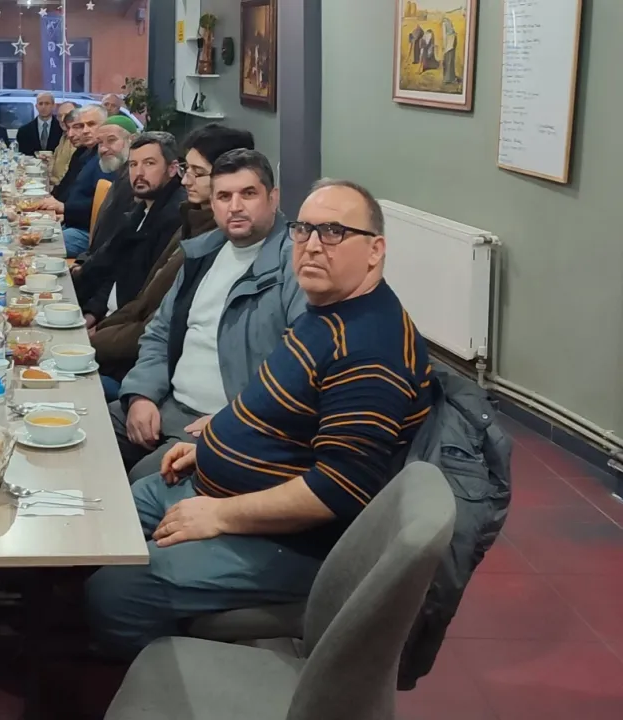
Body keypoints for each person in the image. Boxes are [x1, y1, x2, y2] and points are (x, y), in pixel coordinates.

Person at [85, 178, 438, 658]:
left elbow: (339, 487)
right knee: (101, 524)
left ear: (375, 250)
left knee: (115, 591)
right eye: (304, 229)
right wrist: (211, 445)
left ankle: (181, 679)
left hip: (290, 541)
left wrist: (219, 515)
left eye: (334, 232)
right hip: (221, 487)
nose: (313, 245)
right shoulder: (329, 307)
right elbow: (279, 406)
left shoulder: (369, 350)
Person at [110, 149, 306, 482]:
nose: (235, 206)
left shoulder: (296, 266)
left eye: (248, 194)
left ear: (273, 198)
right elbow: (159, 333)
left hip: (225, 423)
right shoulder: (204, 252)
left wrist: (233, 420)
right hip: (167, 403)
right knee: (85, 434)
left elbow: (299, 371)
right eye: (224, 196)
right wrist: (142, 394)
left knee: (142, 481)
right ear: (212, 203)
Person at [91, 125, 254, 382]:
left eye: (197, 173)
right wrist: (96, 330)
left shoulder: (216, 240)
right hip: (125, 349)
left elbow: (160, 329)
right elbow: (142, 301)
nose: (186, 180)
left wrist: (92, 343)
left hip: (141, 368)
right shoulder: (190, 220)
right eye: (186, 169)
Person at [77, 132, 185, 342]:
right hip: (104, 318)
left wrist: (100, 330)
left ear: (172, 169)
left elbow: (142, 302)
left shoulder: (173, 218)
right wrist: (92, 313)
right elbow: (114, 271)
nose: (139, 173)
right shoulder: (140, 211)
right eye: (133, 164)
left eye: (149, 163)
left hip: (123, 335)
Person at [46, 114, 135, 257]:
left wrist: (66, 210)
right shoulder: (101, 161)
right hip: (78, 226)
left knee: (38, 246)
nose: (103, 149)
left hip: (90, 236)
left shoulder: (131, 174)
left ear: (133, 140)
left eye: (111, 140)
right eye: (100, 143)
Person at [48, 105, 107, 203]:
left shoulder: (105, 156)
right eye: (82, 126)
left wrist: (64, 208)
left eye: (91, 124)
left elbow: (98, 201)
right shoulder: (81, 152)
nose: (85, 131)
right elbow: (66, 186)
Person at [49, 101, 79, 184]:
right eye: (59, 116)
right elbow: (54, 162)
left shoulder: (76, 139)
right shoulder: (64, 136)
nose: (62, 119)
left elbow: (68, 174)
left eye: (67, 115)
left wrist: (50, 180)